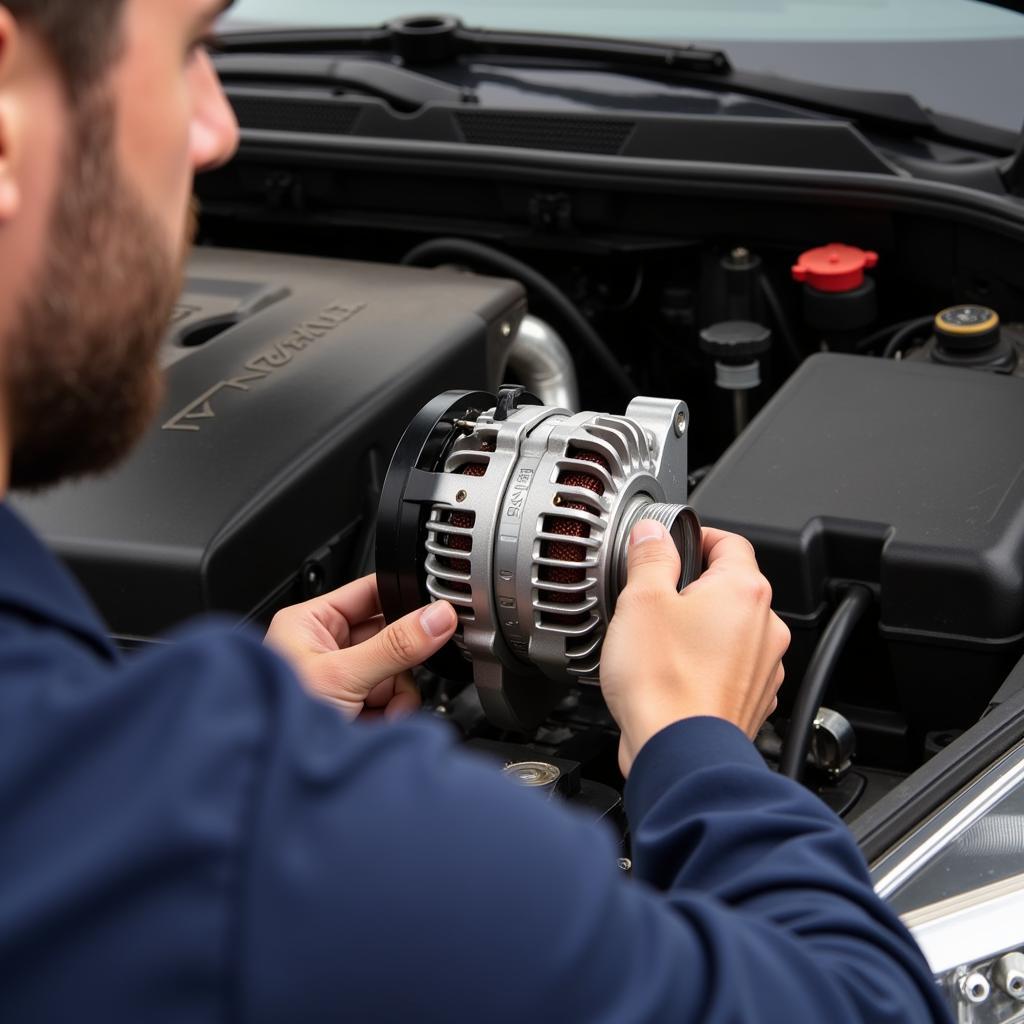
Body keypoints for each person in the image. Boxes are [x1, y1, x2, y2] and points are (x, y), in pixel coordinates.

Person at [0, 1, 950, 1021]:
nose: (217, 127)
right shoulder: (256, 851)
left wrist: (218, 736)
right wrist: (696, 741)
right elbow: (869, 1005)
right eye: (191, 50)